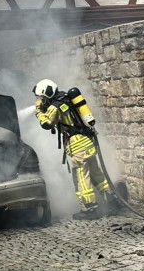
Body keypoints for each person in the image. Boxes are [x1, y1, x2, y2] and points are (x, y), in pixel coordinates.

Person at [33, 78, 116, 217]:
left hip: (78, 147)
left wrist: (39, 110)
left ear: (47, 94)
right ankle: (112, 200)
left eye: (42, 97)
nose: (41, 100)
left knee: (81, 178)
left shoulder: (55, 107)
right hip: (87, 141)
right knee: (96, 174)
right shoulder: (66, 98)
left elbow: (47, 124)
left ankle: (89, 209)